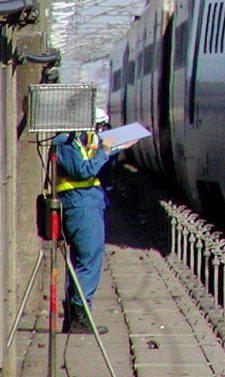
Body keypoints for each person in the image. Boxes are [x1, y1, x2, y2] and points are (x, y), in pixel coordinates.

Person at [54, 108, 137, 334]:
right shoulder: (65, 141)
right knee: (89, 261)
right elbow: (82, 171)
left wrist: (109, 150)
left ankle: (76, 316)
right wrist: (106, 151)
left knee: (83, 261)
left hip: (86, 205)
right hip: (81, 207)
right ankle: (80, 315)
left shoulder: (73, 140)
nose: (98, 131)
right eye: (99, 126)